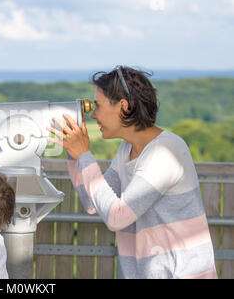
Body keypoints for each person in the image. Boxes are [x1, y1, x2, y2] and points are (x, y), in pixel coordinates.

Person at [48, 66, 217, 279]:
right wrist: (74, 155)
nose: (93, 115)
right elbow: (93, 203)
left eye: (98, 106)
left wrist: (85, 155)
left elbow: (116, 218)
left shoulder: (166, 151)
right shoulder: (127, 150)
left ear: (124, 106)